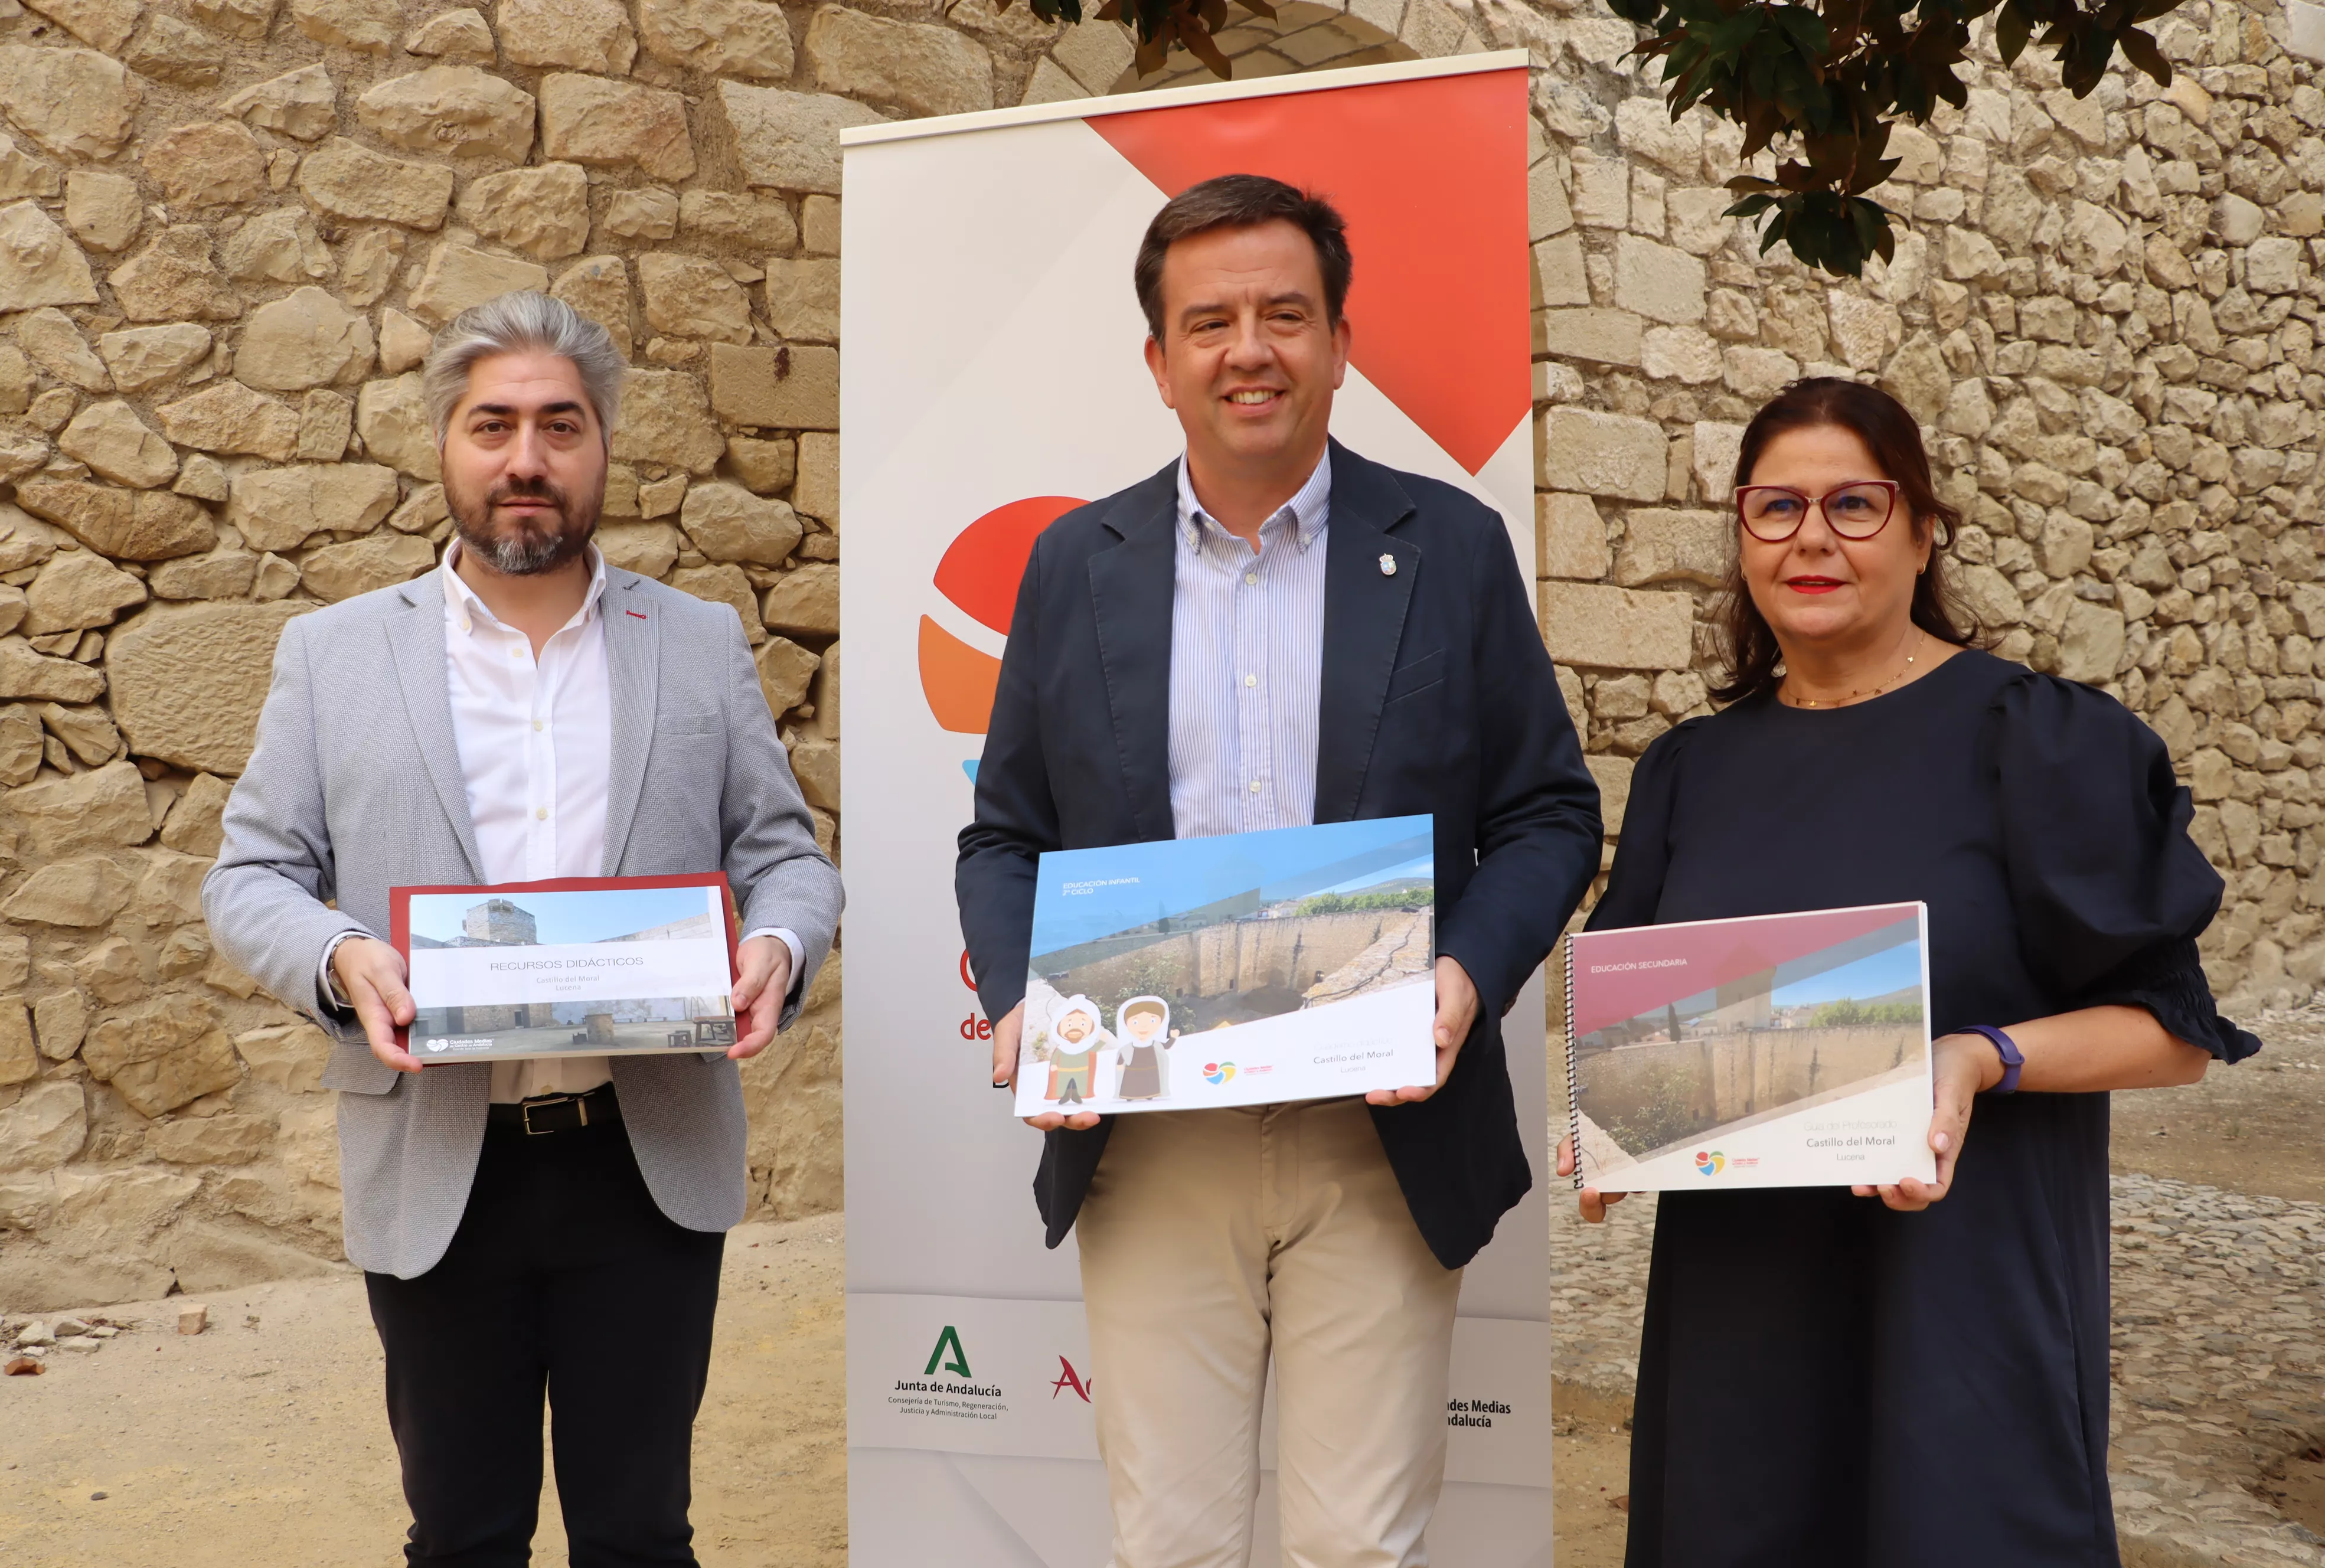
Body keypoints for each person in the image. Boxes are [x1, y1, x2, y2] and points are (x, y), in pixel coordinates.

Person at [955, 174, 1601, 1566]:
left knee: (1356, 1543)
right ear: (1160, 362)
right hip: (1149, 1124)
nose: (1249, 348)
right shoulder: (1075, 563)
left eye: (1284, 314)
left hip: (1380, 1122)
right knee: (1171, 1540)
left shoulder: (1452, 548)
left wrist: (1462, 974)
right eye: (1211, 322)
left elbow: (1550, 811)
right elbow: (1004, 833)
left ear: (1340, 343)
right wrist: (1023, 997)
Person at [1556, 377, 2260, 1567]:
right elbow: (1646, 1030)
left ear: (1924, 528)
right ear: (1740, 531)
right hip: (1742, 1315)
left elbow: (2175, 1032)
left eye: (1855, 503)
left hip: (1966, 1306)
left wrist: (1977, 1056)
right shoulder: (1692, 769)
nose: (1812, 537)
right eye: (1776, 506)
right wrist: (1615, 1125)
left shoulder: (2035, 740)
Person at [202, 291, 843, 1566]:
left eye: (561, 424)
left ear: (603, 443)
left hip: (644, 1157)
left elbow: (786, 857)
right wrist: (341, 957)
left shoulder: (699, 640)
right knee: (462, 1532)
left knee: (642, 1534)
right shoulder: (333, 656)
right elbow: (252, 875)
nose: (526, 459)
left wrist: (779, 945)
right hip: (441, 1164)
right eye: (493, 425)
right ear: (445, 442)